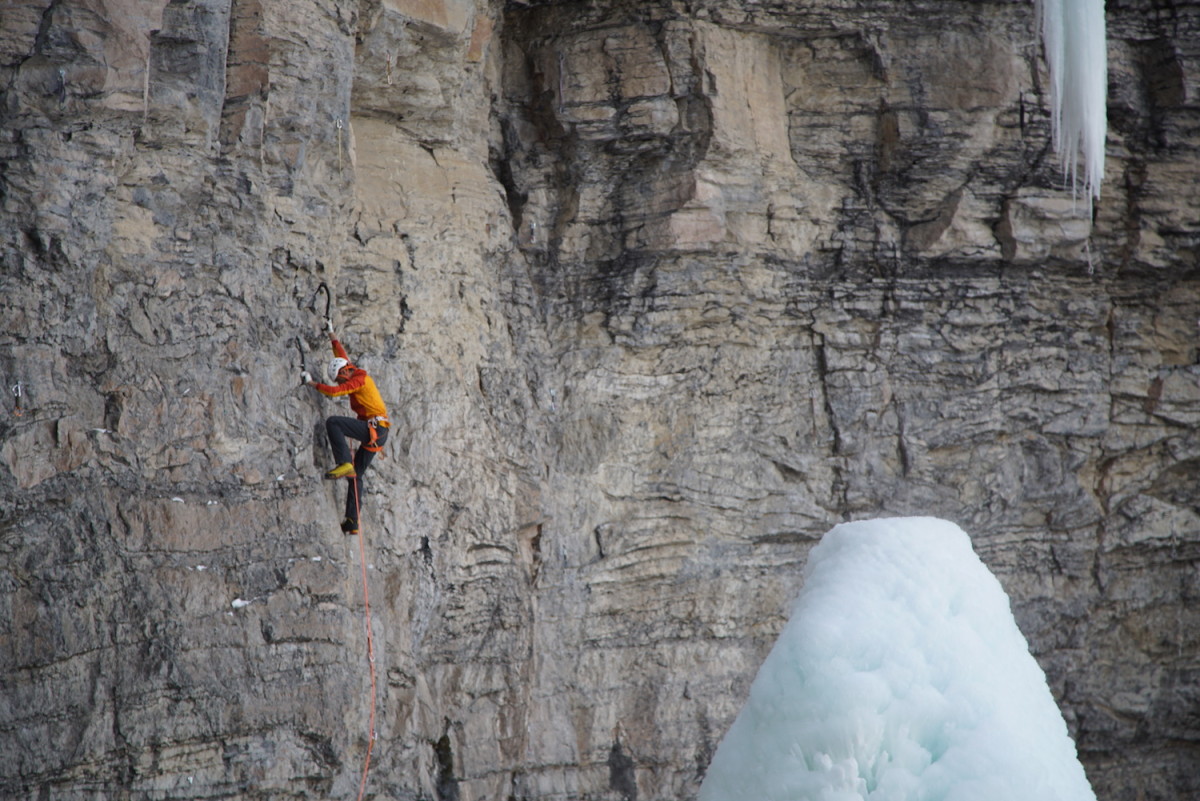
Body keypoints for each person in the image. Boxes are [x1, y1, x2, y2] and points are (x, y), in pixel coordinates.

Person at [302, 325, 389, 535]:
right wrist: (331, 333)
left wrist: (311, 383)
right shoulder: (351, 370)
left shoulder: (357, 380)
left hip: (374, 428)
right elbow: (341, 355)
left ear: (345, 372)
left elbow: (334, 393)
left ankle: (343, 463)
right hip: (378, 432)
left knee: (334, 422)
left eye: (341, 378)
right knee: (356, 476)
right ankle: (352, 521)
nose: (341, 382)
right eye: (340, 380)